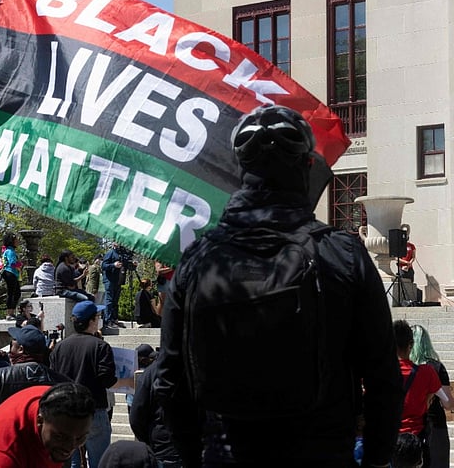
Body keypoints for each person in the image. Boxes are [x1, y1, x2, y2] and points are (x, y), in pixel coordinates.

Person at [154, 105, 403, 467]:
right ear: (306, 170)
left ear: (241, 174)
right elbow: (383, 375)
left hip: (225, 454)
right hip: (321, 452)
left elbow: (169, 380)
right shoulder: (342, 252)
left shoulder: (196, 259)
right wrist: (378, 459)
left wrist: (193, 458)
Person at [0, 382, 95, 468]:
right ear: (40, 421)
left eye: (80, 438)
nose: (70, 446)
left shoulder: (56, 402)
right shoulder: (1, 453)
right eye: (60, 437)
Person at [49, 300, 117, 468]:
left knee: (71, 462)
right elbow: (107, 379)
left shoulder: (60, 347)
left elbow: (52, 378)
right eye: (98, 317)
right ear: (92, 321)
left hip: (65, 412)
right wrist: (128, 382)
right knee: (99, 462)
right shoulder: (101, 346)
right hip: (93, 411)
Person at [395, 320, 454, 468]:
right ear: (410, 344)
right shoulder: (427, 373)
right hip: (415, 438)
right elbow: (446, 401)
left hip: (389, 438)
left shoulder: (379, 374)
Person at [409, 324, 454, 468]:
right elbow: (448, 403)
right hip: (435, 424)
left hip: (411, 424)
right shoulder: (435, 367)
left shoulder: (405, 367)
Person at [130, 347, 183, 468]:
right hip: (184, 445)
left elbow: (136, 416)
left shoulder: (150, 373)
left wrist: (149, 439)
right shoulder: (197, 368)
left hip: (163, 445)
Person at [102, 242, 129, 329]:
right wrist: (113, 265)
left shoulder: (122, 254)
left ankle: (114, 319)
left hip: (118, 280)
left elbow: (126, 265)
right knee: (109, 300)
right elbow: (103, 265)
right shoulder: (110, 253)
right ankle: (108, 320)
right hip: (109, 280)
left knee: (115, 301)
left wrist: (132, 265)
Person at [0, 232, 23, 320]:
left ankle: (12, 312)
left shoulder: (10, 251)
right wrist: (21, 263)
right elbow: (12, 263)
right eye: (16, 239)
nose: (18, 241)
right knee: (12, 293)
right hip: (10, 272)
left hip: (13, 273)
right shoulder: (10, 251)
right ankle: (9, 313)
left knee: (16, 293)